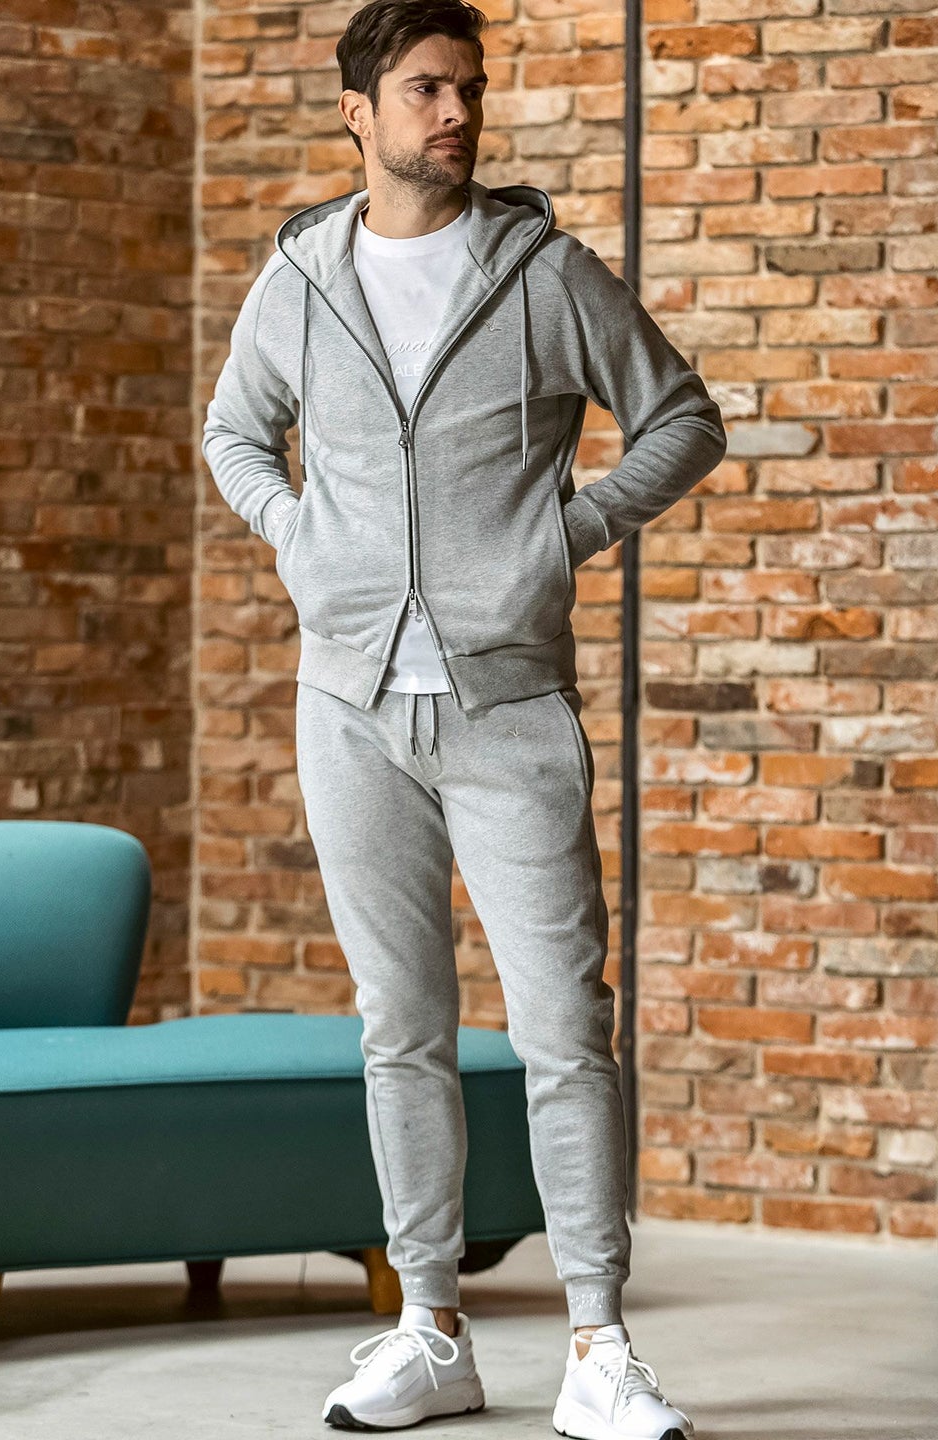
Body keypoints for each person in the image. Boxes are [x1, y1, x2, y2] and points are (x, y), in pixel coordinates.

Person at [201, 2, 726, 1433]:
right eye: (427, 88)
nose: (456, 113)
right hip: (348, 706)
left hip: (509, 707)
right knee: (402, 1031)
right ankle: (429, 1326)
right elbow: (234, 430)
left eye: (470, 89)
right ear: (358, 114)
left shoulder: (545, 273)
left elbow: (683, 416)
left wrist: (569, 534)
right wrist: (299, 535)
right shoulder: (303, 276)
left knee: (564, 1032)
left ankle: (598, 1345)